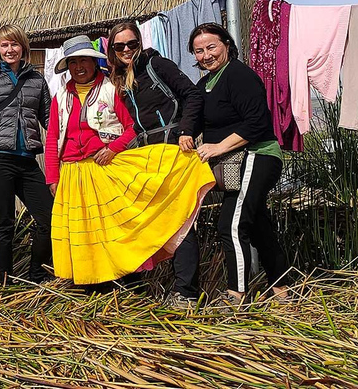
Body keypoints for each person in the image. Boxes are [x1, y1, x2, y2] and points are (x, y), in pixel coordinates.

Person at [45, 35, 214, 286]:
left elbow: (131, 127)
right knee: (85, 233)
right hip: (72, 173)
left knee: (115, 230)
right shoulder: (61, 98)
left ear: (94, 63)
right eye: (73, 62)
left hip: (104, 168)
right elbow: (52, 139)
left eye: (84, 60)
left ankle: (126, 282)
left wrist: (113, 148)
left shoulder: (111, 89)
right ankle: (92, 282)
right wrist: (52, 177)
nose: (79, 67)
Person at [189, 22, 290, 305]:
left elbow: (257, 122)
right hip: (238, 162)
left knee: (231, 225)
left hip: (257, 154)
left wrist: (218, 146)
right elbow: (195, 118)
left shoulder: (238, 75)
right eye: (199, 51)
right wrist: (186, 135)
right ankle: (283, 289)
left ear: (227, 45)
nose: (206, 55)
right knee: (257, 225)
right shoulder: (205, 83)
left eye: (211, 47)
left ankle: (237, 295)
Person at [107, 21, 204, 307]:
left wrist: (186, 130)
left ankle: (186, 293)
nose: (126, 50)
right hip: (143, 157)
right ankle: (134, 288)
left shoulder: (157, 65)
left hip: (173, 150)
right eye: (119, 46)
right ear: (112, 50)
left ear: (140, 42)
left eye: (131, 44)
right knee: (142, 222)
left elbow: (192, 94)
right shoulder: (119, 78)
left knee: (181, 220)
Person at [0, 24, 53, 284]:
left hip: (27, 159)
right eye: (4, 45)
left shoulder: (36, 79)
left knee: (48, 219)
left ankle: (37, 274)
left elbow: (49, 118)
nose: (10, 49)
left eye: (14, 44)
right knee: (4, 222)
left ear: (23, 47)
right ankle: (3, 279)